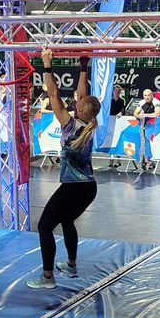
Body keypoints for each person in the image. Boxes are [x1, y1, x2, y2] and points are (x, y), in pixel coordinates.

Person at [26, 49, 101, 289]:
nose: (77, 101)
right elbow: (83, 95)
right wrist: (83, 67)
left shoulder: (70, 125)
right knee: (67, 220)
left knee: (44, 227)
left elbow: (53, 93)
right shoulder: (90, 124)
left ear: (80, 109)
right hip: (89, 187)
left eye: (79, 103)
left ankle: (48, 277)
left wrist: (47, 65)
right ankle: (71, 265)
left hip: (73, 187)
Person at [134, 89, 160, 171]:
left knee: (150, 141)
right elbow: (135, 113)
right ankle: (148, 159)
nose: (147, 97)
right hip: (146, 124)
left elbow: (157, 114)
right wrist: (139, 116)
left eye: (148, 95)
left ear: (152, 95)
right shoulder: (142, 102)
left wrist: (145, 115)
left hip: (156, 124)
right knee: (146, 141)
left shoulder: (156, 102)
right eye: (145, 95)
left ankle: (150, 159)